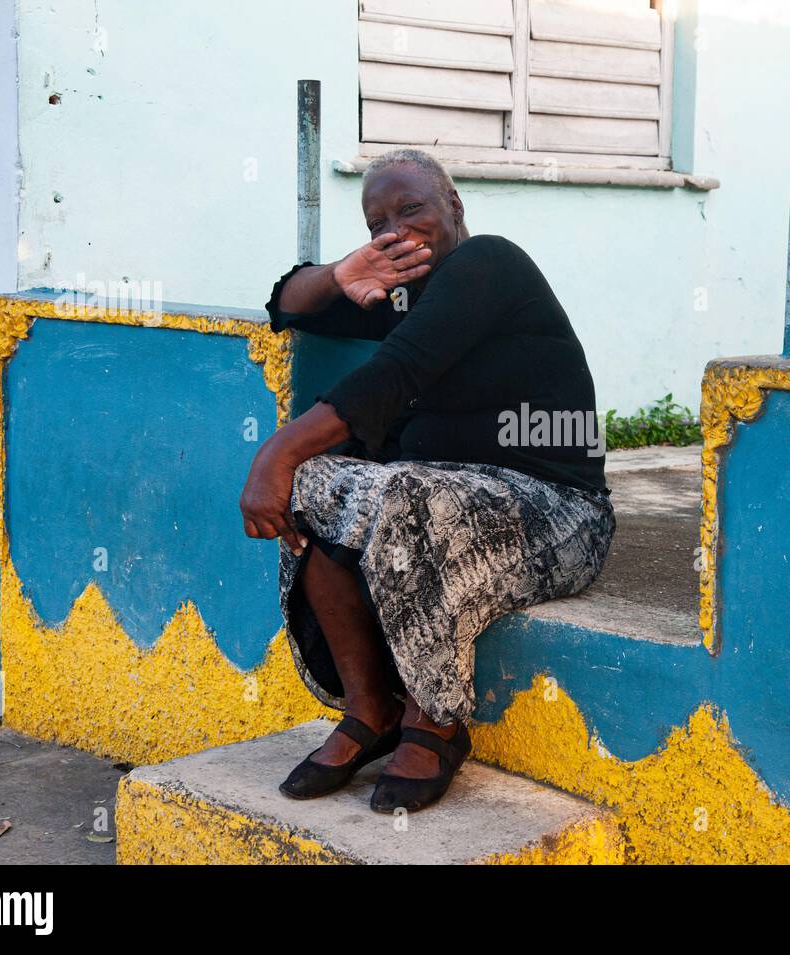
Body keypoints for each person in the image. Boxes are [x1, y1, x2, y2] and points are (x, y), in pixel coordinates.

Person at [239, 148, 615, 813]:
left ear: (454, 207)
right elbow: (287, 304)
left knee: (403, 491)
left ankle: (435, 719)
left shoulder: (488, 265)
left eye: (411, 208)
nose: (395, 229)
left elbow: (396, 375)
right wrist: (342, 272)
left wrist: (275, 453)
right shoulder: (401, 290)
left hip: (559, 515)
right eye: (377, 220)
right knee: (318, 486)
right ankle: (369, 709)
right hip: (448, 498)